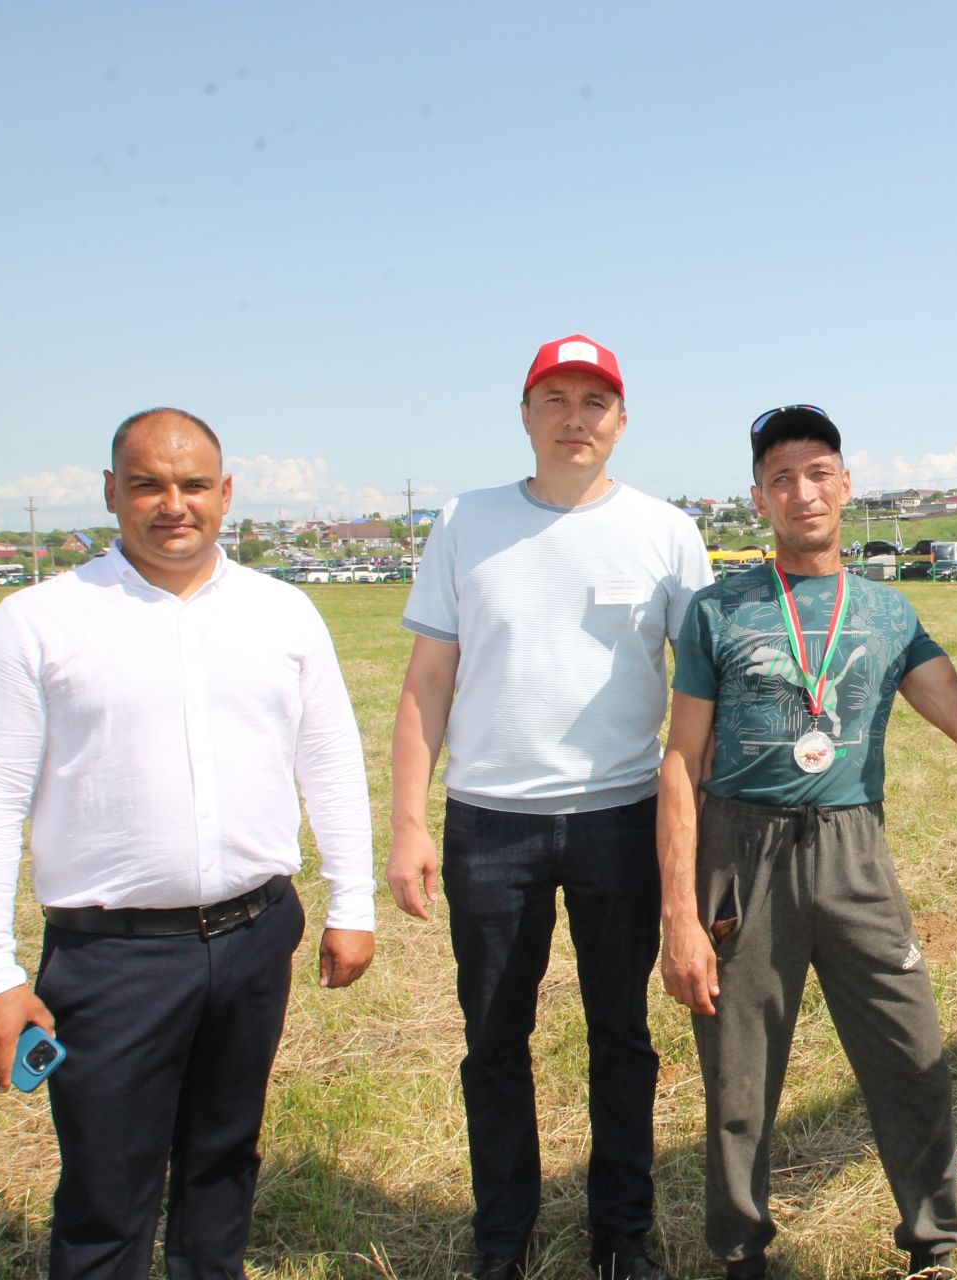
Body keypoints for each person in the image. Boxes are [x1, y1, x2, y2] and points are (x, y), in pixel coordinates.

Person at [0, 408, 377, 1280]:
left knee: (223, 1161)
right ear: (112, 493)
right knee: (109, 1189)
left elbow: (328, 759)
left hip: (256, 938)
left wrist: (351, 902)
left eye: (191, 484)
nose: (171, 504)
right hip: (112, 958)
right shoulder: (36, 624)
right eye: (147, 484)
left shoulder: (282, 614)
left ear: (225, 494)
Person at [657, 405, 957, 1280]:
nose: (802, 492)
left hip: (855, 849)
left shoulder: (887, 612)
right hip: (741, 854)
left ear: (845, 484)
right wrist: (679, 912)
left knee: (913, 1054)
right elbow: (680, 761)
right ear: (760, 498)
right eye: (782, 478)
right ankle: (742, 1252)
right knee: (739, 1080)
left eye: (818, 472)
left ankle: (934, 1245)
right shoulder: (717, 612)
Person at [388, 334, 710, 1280]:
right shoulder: (465, 522)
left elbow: (700, 693)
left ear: (621, 421)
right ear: (525, 413)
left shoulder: (666, 531)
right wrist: (409, 824)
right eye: (557, 399)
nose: (577, 418)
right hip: (490, 824)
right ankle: (503, 1237)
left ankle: (623, 1232)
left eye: (595, 402)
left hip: (620, 816)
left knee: (622, 1033)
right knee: (494, 1038)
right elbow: (427, 683)